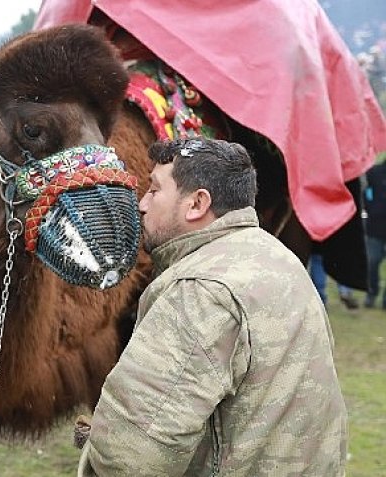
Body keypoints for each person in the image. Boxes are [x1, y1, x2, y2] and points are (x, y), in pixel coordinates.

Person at [77, 138, 347, 476]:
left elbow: (131, 458)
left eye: (155, 190)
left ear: (196, 204)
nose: (142, 204)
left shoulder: (198, 290)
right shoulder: (278, 257)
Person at [364, 157, 386, 308]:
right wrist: (370, 207)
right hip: (375, 226)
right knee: (372, 261)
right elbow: (366, 191)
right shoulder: (375, 172)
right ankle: (371, 292)